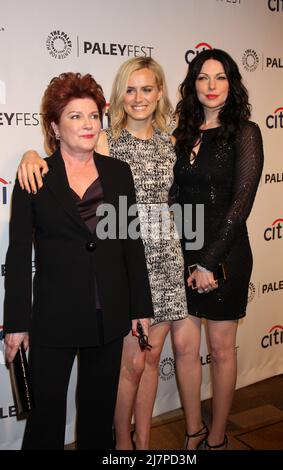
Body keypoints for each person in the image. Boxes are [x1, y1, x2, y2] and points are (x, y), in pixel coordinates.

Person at [15, 58, 188, 450]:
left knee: (96, 420)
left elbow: (132, 243)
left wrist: (140, 307)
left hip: (108, 319)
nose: (89, 123)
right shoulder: (35, 175)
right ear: (56, 127)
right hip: (54, 318)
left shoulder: (117, 172)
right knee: (45, 421)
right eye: (76, 116)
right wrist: (17, 325)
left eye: (93, 115)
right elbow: (20, 252)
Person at [171, 48, 264, 450]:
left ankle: (218, 437)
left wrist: (208, 262)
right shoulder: (182, 132)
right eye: (203, 78)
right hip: (182, 253)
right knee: (184, 347)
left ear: (232, 82)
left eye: (220, 77)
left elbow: (241, 203)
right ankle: (194, 431)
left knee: (222, 350)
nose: (211, 86)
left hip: (225, 255)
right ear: (193, 84)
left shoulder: (245, 132)